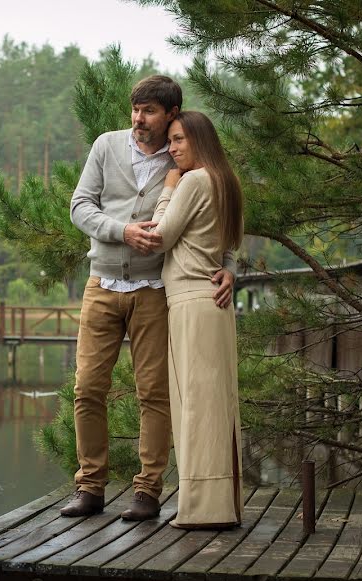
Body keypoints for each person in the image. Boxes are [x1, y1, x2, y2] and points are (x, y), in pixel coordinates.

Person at [61, 76, 236, 520]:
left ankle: (147, 491)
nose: (139, 119)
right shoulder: (106, 145)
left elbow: (215, 216)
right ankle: (90, 486)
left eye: (150, 112)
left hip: (154, 290)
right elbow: (80, 205)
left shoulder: (185, 156)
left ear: (171, 115)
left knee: (153, 393)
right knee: (87, 388)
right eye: (135, 110)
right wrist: (119, 231)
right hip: (101, 284)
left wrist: (229, 265)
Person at [151, 111, 244, 528]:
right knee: (216, 404)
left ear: (199, 140)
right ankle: (220, 503)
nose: (172, 150)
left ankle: (203, 510)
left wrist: (167, 189)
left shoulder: (192, 180)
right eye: (170, 141)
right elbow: (232, 244)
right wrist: (230, 270)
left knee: (195, 407)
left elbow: (160, 237)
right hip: (215, 307)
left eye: (179, 140)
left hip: (191, 303)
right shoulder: (227, 182)